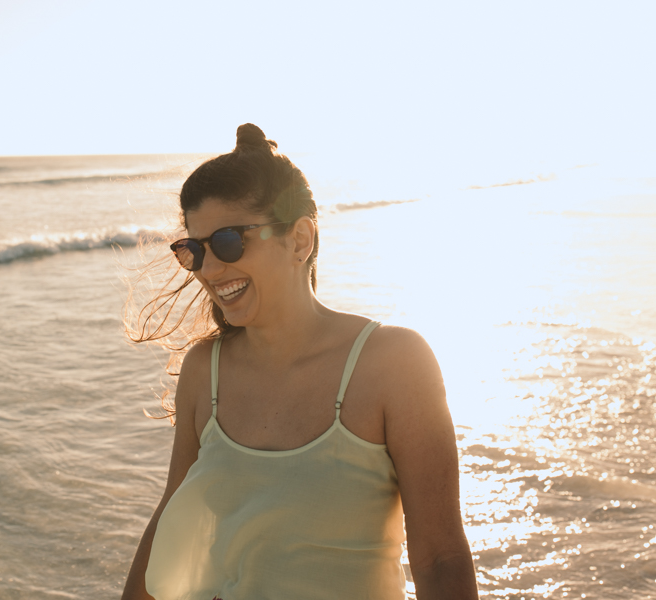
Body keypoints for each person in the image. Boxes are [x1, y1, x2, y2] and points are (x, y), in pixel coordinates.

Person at [121, 124, 478, 600]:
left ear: (299, 240)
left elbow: (440, 559)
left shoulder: (393, 363)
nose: (209, 269)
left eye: (228, 242)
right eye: (195, 250)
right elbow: (170, 523)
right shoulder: (204, 371)